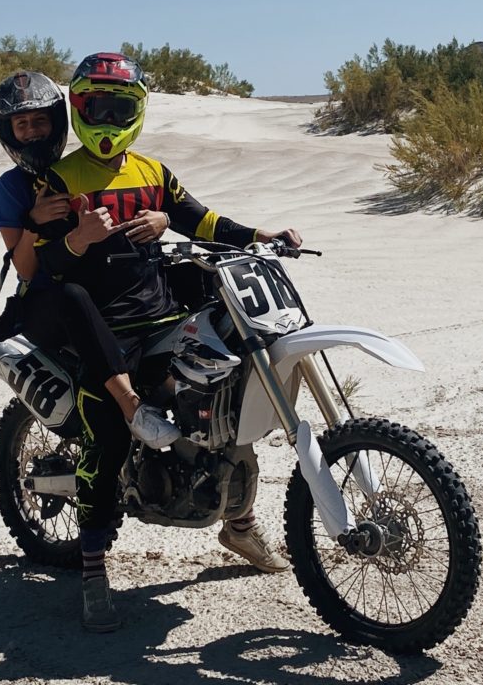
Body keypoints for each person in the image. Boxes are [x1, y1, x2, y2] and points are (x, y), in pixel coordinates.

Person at [31, 52, 301, 632]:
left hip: (164, 316)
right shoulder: (59, 180)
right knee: (105, 439)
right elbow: (44, 264)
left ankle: (238, 522)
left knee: (229, 403)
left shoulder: (153, 171)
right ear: (78, 109)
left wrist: (261, 234)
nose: (106, 118)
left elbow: (201, 221)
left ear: (137, 111)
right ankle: (94, 569)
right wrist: (79, 236)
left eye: (118, 107)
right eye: (95, 107)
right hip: (99, 333)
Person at [0, 70, 176, 442]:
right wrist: (34, 222)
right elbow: (25, 270)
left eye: (40, 121)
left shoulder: (85, 167)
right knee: (72, 296)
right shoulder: (11, 187)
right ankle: (130, 406)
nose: (32, 132)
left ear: (58, 122)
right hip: (49, 298)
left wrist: (164, 216)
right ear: (8, 131)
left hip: (100, 288)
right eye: (21, 124)